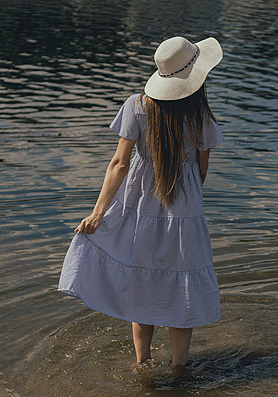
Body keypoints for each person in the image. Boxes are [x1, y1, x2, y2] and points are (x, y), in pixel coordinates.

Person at [58, 36, 224, 370]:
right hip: (185, 209)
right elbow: (201, 170)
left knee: (142, 279)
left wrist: (97, 214)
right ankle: (179, 368)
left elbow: (119, 164)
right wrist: (185, 201)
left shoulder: (137, 105)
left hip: (139, 207)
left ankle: (142, 364)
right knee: (181, 283)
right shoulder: (200, 114)